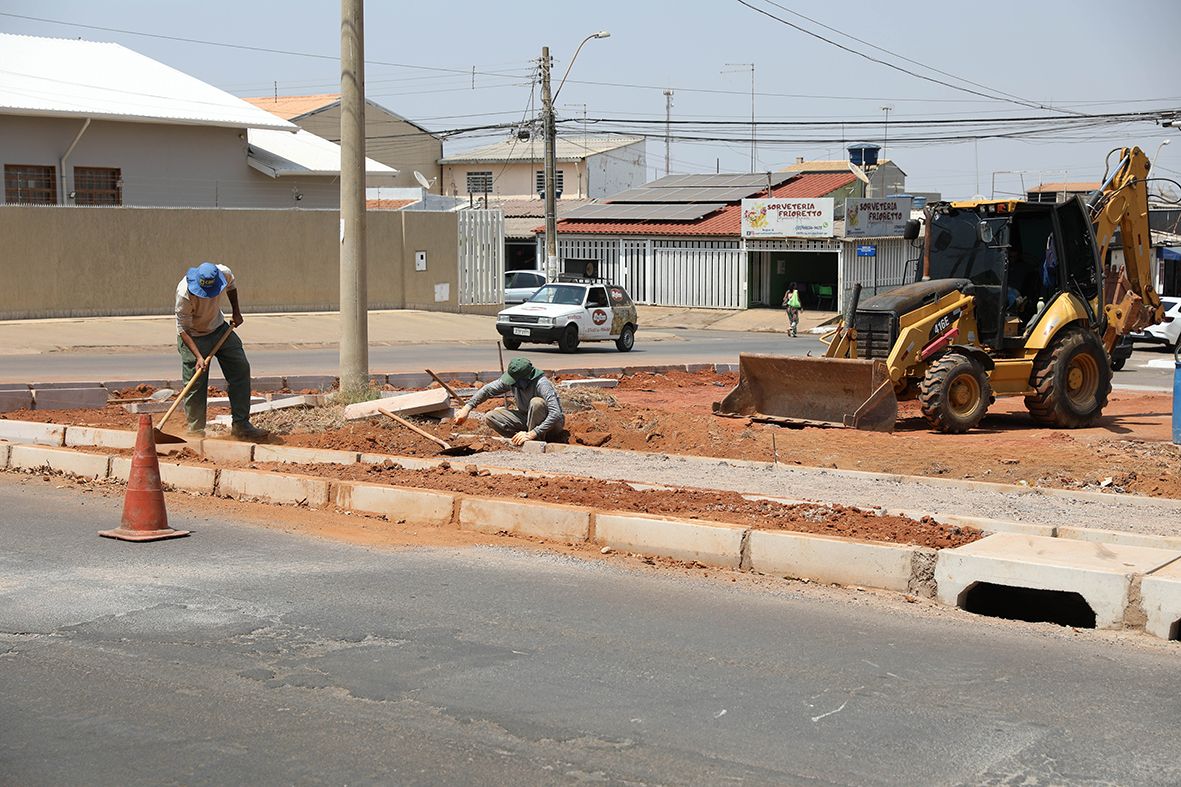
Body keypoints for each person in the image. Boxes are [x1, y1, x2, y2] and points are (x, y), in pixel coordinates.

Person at [174, 262, 268, 441]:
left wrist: (236, 312)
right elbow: (183, 329)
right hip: (193, 336)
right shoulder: (183, 293)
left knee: (240, 368)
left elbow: (231, 287)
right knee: (195, 385)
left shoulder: (224, 273)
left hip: (219, 329)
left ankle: (241, 425)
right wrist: (199, 357)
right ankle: (195, 431)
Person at [453, 357, 564, 445]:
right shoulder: (514, 381)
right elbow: (487, 390)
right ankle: (518, 439)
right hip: (527, 418)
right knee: (491, 417)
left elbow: (556, 414)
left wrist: (533, 433)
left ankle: (535, 443)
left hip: (551, 426)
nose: (511, 383)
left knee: (537, 403)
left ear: (525, 379)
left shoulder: (542, 384)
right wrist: (467, 408)